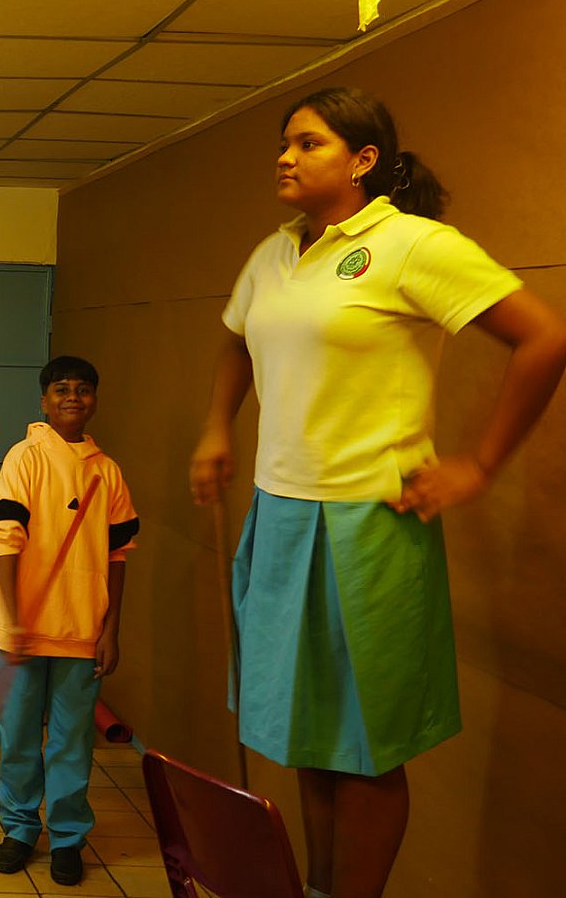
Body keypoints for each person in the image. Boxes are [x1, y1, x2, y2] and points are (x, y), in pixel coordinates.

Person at [189, 87, 566, 898]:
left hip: (371, 523)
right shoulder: (272, 254)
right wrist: (219, 427)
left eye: (308, 143)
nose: (285, 157)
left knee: (365, 750)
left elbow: (544, 337)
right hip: (280, 514)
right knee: (309, 738)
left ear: (363, 160)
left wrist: (479, 464)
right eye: (283, 143)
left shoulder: (411, 244)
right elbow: (236, 340)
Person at [0, 356, 138, 886]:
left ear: (95, 401)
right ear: (44, 400)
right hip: (22, 631)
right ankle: (20, 828)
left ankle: (67, 836)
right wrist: (14, 618)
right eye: (62, 389)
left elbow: (118, 554)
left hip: (82, 630)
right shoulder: (25, 457)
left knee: (72, 740)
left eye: (83, 390)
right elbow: (2, 536)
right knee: (19, 736)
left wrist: (111, 629)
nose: (72, 397)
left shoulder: (107, 471)